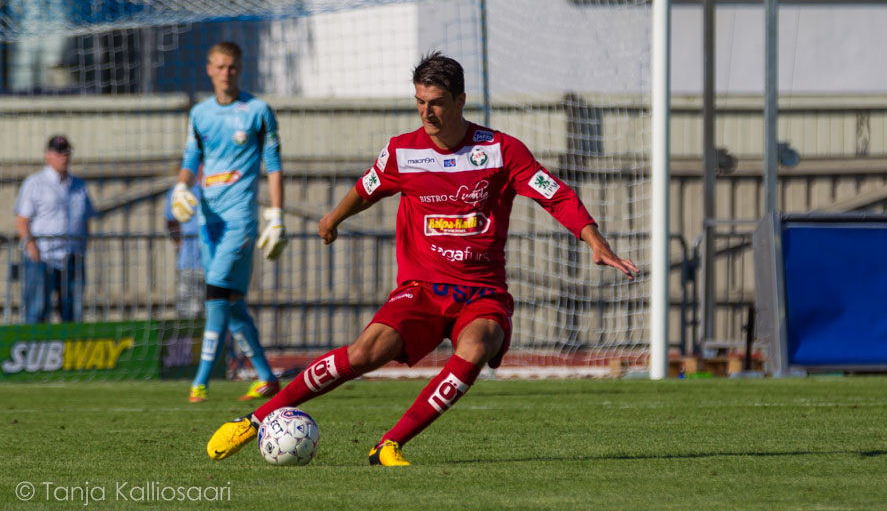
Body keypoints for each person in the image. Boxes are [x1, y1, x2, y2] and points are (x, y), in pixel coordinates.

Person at [206, 52, 638, 466]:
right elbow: (367, 187)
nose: (426, 114)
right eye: (419, 103)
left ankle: (389, 444)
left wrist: (594, 240)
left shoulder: (501, 150)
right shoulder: (402, 151)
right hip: (422, 288)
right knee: (364, 353)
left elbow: (555, 194)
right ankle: (254, 421)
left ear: (460, 101)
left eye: (435, 104)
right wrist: (332, 218)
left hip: (482, 292)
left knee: (478, 344)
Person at [172, 41, 288, 404]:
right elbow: (191, 159)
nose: (226, 74)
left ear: (241, 69)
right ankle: (267, 378)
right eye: (220, 67)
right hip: (209, 220)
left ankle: (201, 380)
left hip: (240, 218)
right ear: (210, 69)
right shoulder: (200, 114)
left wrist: (277, 215)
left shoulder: (258, 111)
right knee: (233, 302)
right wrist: (180, 187)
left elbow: (274, 165)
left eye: (232, 67)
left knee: (215, 291)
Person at [14, 135, 96, 324]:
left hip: (72, 257)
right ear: (48, 156)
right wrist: (31, 247)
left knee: (73, 312)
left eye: (66, 153)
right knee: (37, 310)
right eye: (59, 153)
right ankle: (35, 350)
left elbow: (86, 218)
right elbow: (22, 220)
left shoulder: (79, 185)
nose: (63, 157)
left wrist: (83, 246)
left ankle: (70, 351)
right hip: (43, 257)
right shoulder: (35, 183)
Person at [165, 166, 205, 318]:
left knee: (205, 308)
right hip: (188, 262)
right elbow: (170, 221)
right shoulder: (179, 192)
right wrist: (180, 242)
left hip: (212, 263)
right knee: (186, 309)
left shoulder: (215, 189)